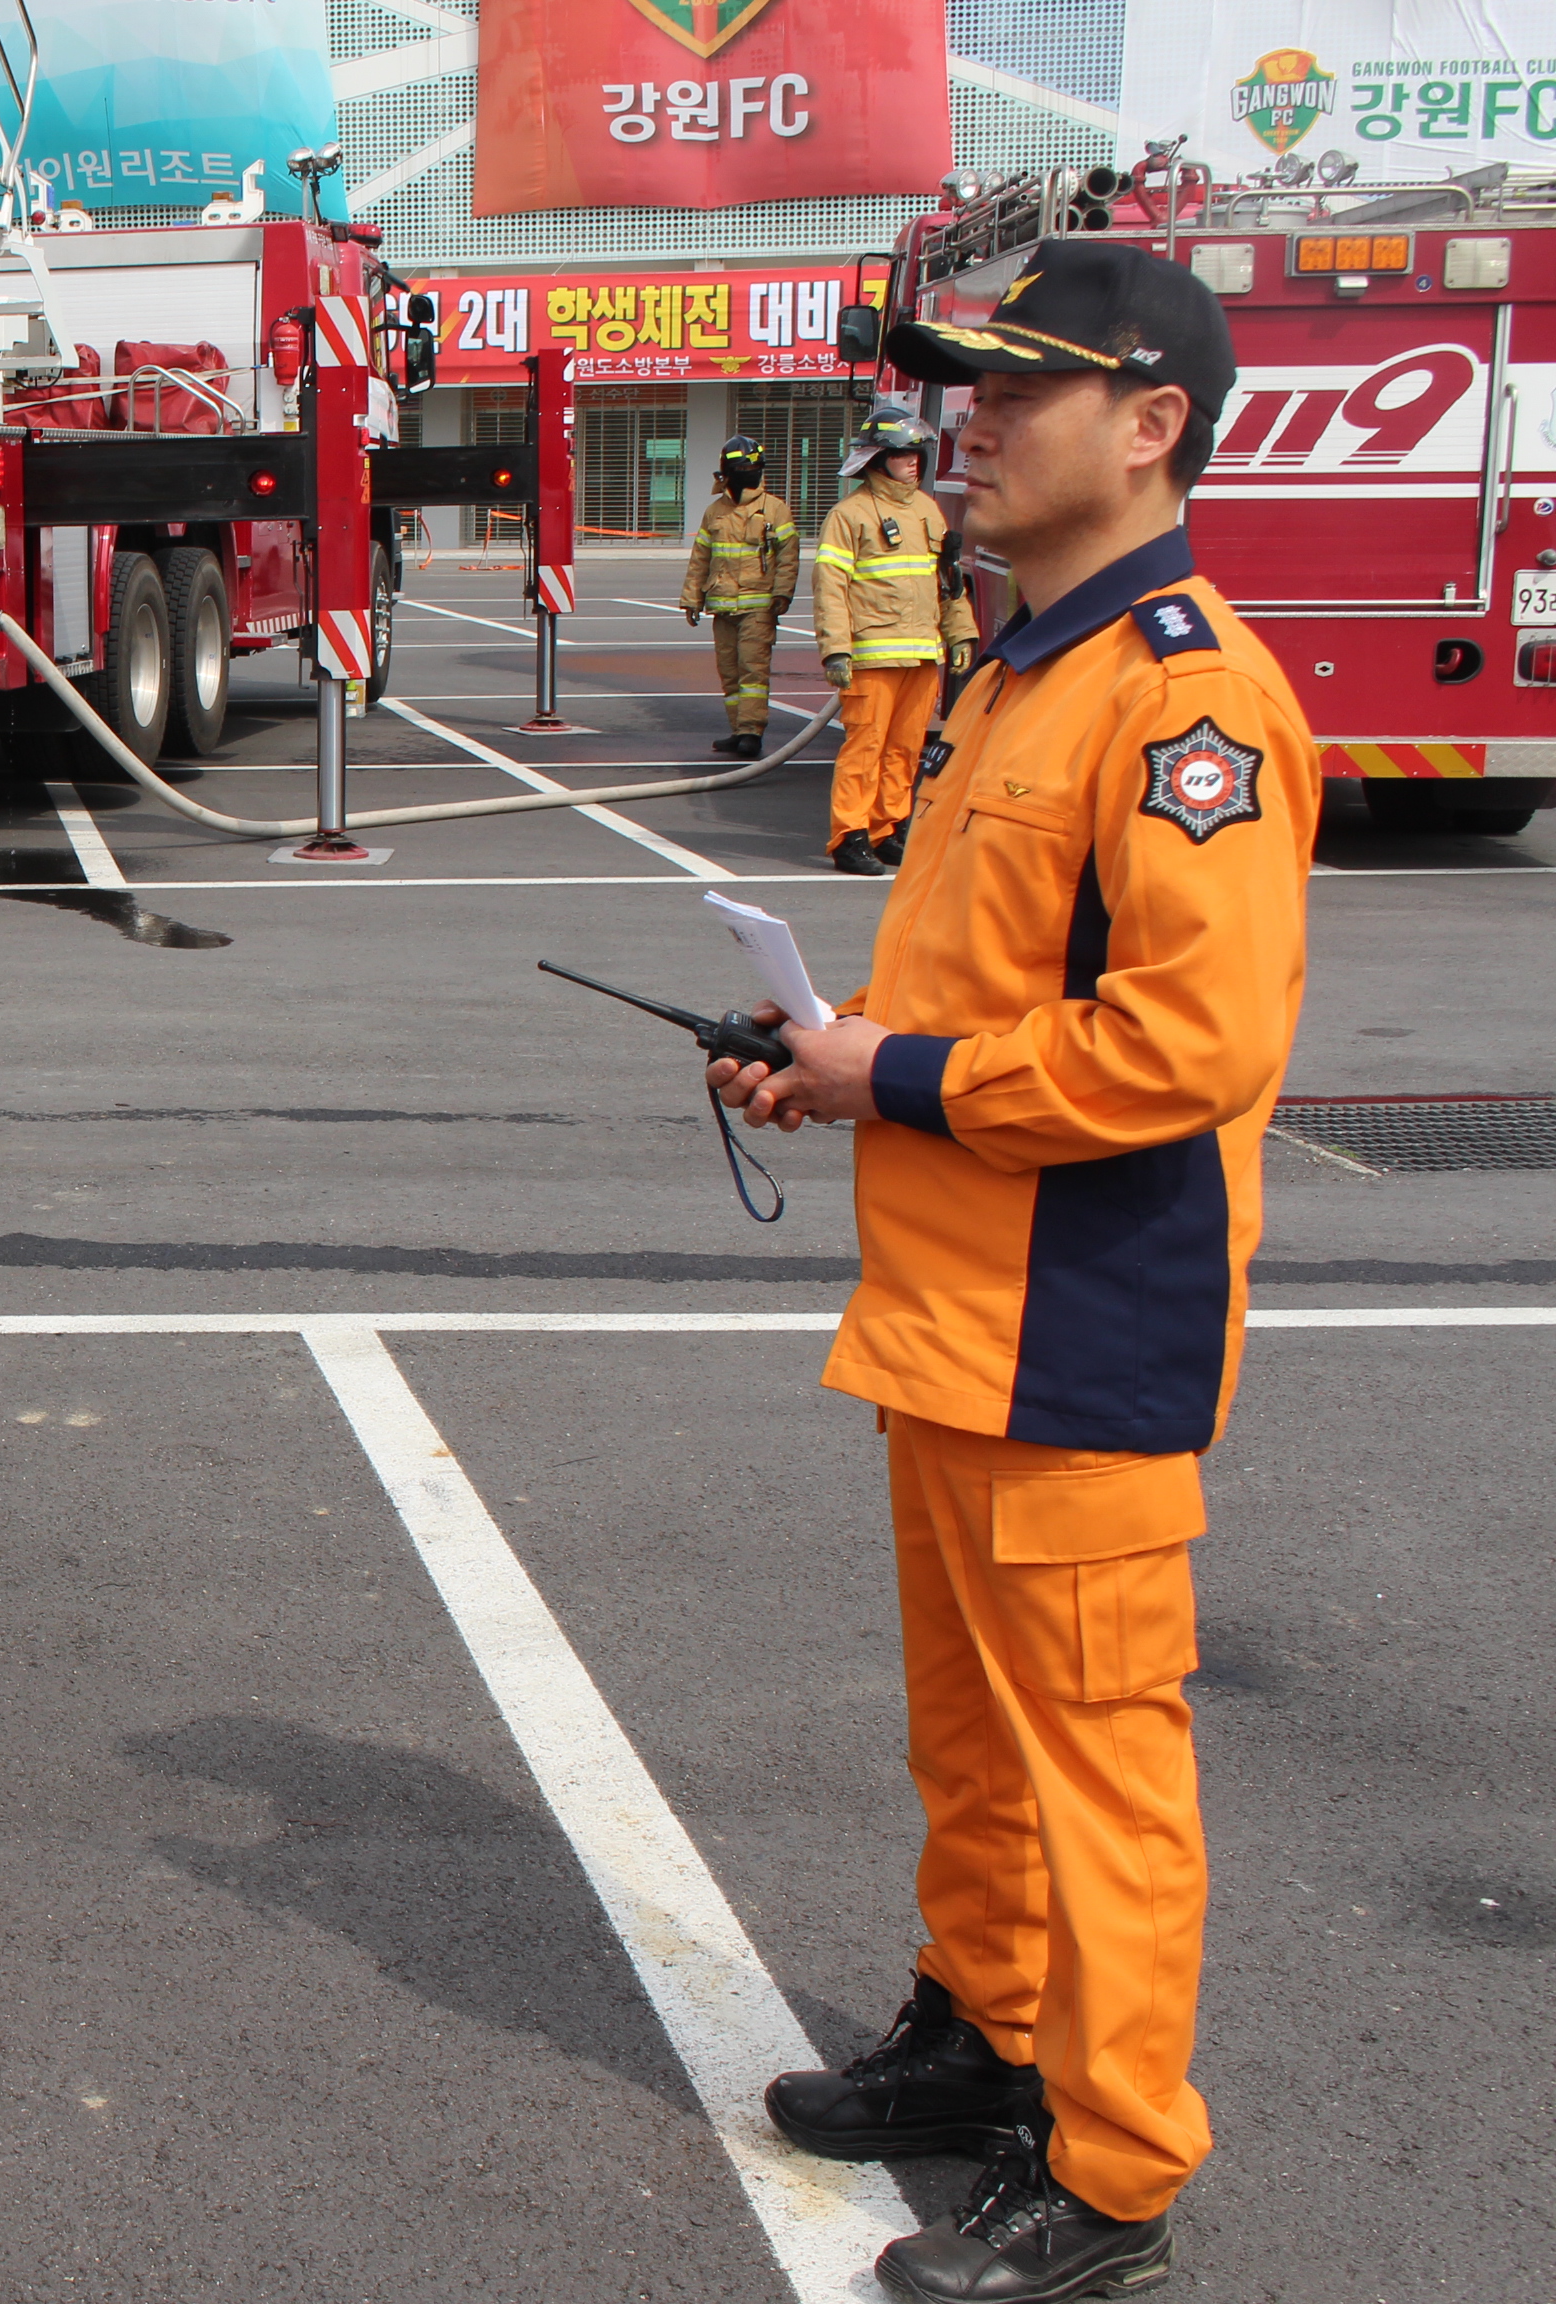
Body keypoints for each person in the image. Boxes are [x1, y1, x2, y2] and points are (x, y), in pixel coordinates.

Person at [708, 240, 1311, 2303]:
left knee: (1099, 1767)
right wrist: (831, 1055)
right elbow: (987, 991)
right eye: (961, 382)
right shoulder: (1024, 670)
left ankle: (1117, 2166)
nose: (964, 417)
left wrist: (892, 1071)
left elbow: (1187, 1044)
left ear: (1151, 427)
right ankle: (985, 2031)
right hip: (954, 1311)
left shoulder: (1185, 695)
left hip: (1082, 1325)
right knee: (973, 1739)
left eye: (1014, 388)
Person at [812, 405, 976, 874]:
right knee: (865, 749)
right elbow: (830, 587)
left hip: (921, 654)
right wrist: (836, 649)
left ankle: (887, 829)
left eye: (917, 454)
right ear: (878, 459)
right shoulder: (850, 515)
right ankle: (850, 836)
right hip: (871, 656)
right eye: (903, 455)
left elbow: (948, 581)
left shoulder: (927, 510)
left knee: (905, 749)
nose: (913, 463)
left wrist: (961, 632)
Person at [680, 434, 801, 758]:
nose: (749, 474)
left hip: (758, 607)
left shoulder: (775, 509)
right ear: (727, 472)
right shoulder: (715, 512)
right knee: (730, 673)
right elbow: (700, 559)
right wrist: (692, 598)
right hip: (722, 607)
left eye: (753, 468)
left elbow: (788, 557)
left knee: (753, 671)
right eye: (742, 469)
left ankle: (751, 732)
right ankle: (738, 729)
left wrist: (782, 593)